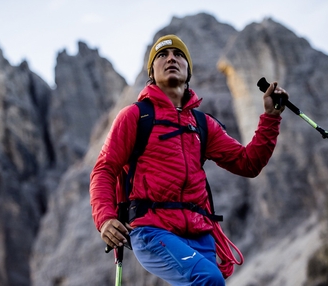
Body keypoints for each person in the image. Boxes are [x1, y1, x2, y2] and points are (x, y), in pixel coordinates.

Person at [90, 34, 288, 285]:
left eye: (179, 54)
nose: (171, 58)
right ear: (152, 72)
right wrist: (105, 218)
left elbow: (249, 163)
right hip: (152, 230)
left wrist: (270, 117)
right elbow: (104, 170)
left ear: (188, 70)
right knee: (208, 279)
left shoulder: (203, 125)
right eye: (162, 55)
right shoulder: (134, 116)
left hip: (200, 234)